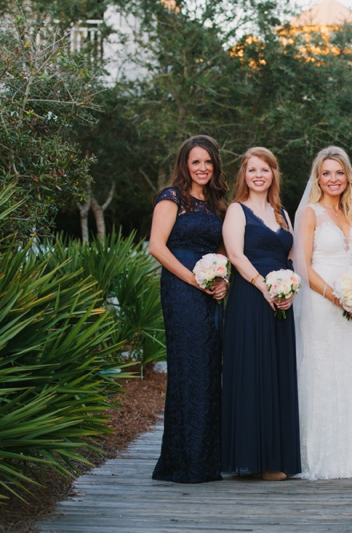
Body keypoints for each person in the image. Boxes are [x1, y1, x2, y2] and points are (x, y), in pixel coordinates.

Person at [293, 146, 352, 480]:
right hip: (320, 304)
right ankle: (318, 459)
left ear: (347, 177)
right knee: (321, 375)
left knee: (350, 376)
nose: (333, 179)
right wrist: (335, 296)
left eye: (338, 173)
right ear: (318, 177)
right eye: (326, 173)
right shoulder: (310, 213)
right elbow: (302, 265)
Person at [149, 135, 229, 483]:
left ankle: (206, 458)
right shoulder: (172, 198)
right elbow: (157, 247)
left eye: (208, 162)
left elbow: (224, 248)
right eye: (196, 162)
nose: (202, 168)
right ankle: (185, 462)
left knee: (210, 367)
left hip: (209, 290)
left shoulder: (217, 202)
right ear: (185, 164)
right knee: (189, 367)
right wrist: (193, 280)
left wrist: (221, 278)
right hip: (181, 290)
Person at [221, 147, 301, 481]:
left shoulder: (282, 212)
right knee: (252, 372)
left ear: (273, 174)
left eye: (265, 170)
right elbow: (236, 256)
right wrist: (264, 286)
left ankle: (274, 458)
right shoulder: (236, 211)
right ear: (244, 175)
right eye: (252, 170)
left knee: (277, 373)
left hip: (281, 301)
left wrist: (290, 291)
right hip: (249, 299)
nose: (258, 175)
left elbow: (292, 256)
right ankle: (249, 459)